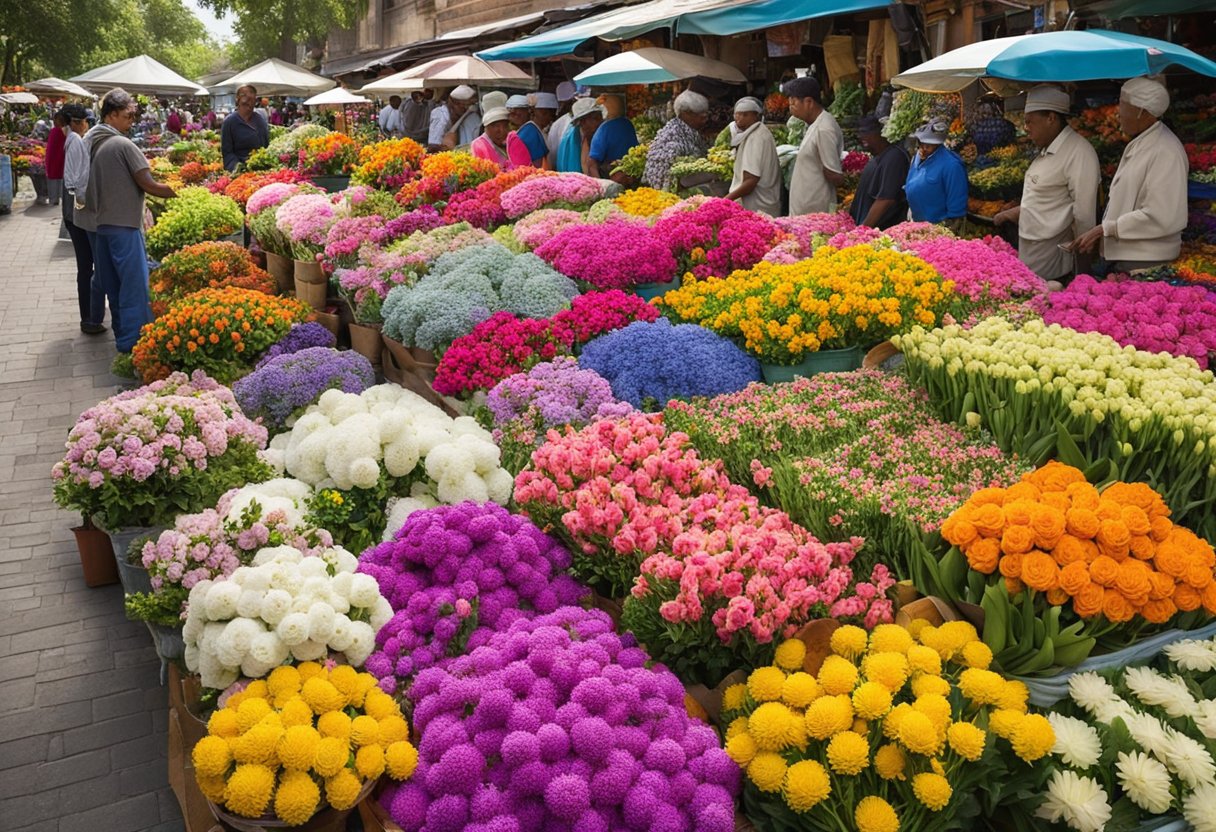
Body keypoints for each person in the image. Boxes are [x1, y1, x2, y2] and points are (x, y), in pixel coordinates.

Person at [73, 89, 176, 352]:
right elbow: (148, 184)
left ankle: (123, 338)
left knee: (114, 288)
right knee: (133, 288)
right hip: (125, 228)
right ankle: (136, 343)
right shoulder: (122, 145)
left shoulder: (92, 141)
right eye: (128, 115)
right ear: (111, 114)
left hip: (102, 226)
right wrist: (178, 190)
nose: (133, 119)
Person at [1073, 76, 1188, 272]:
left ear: (1142, 112)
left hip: (1146, 261)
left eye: (1123, 107)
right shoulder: (1144, 141)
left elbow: (1161, 214)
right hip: (1130, 256)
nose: (1118, 114)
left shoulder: (1165, 151)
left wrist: (1106, 229)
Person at [993, 86, 1100, 285]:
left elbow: (1084, 215)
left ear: (1051, 118)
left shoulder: (1079, 153)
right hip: (1030, 256)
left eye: (1030, 121)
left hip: (1054, 263)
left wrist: (1083, 272)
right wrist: (1012, 213)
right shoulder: (1046, 150)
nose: (1026, 128)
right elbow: (1044, 201)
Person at [61, 103, 105, 334]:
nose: (88, 124)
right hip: (76, 208)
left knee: (86, 265)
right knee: (88, 264)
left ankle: (88, 314)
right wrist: (89, 205)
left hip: (72, 208)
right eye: (86, 121)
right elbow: (77, 181)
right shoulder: (77, 140)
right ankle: (88, 317)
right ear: (77, 122)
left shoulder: (70, 139)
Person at [785, 76, 845, 215]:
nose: (791, 108)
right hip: (805, 207)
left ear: (809, 102)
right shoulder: (814, 124)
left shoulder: (824, 129)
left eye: (793, 103)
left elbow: (833, 173)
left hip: (815, 209)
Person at [849, 114, 909, 229]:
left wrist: (863, 230)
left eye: (866, 132)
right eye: (860, 133)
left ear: (881, 133)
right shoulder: (879, 155)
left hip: (880, 231)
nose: (861, 137)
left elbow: (885, 200)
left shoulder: (894, 157)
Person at [904, 120, 968, 227]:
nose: (924, 148)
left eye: (929, 145)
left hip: (937, 226)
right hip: (915, 221)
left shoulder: (952, 165)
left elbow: (957, 208)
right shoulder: (917, 157)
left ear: (938, 144)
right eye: (922, 143)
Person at [642, 90, 709, 190]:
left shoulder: (691, 131)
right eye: (701, 117)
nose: (705, 120)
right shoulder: (672, 137)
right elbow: (666, 180)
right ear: (686, 114)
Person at [725, 97, 781, 217]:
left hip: (757, 208)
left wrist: (724, 201)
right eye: (737, 114)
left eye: (745, 115)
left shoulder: (756, 138)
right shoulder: (759, 132)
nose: (739, 118)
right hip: (764, 206)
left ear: (756, 116)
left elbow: (750, 181)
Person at [587, 93, 638, 179]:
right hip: (630, 175)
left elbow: (592, 163)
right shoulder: (628, 124)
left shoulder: (605, 128)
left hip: (611, 176)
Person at [220, 84, 270, 171]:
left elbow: (266, 146)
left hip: (259, 168)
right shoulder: (230, 122)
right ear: (238, 101)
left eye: (251, 100)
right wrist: (238, 168)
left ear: (255, 102)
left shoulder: (259, 120)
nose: (248, 104)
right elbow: (227, 152)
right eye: (245, 102)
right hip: (239, 170)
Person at [557, 98, 603, 174]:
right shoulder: (570, 141)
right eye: (596, 118)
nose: (600, 122)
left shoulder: (595, 136)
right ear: (583, 121)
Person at [428, 85, 481, 151]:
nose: (466, 109)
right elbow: (433, 145)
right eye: (463, 106)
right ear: (453, 103)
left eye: (468, 105)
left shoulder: (468, 116)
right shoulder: (440, 115)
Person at [517, 92, 557, 169]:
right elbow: (539, 165)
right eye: (545, 113)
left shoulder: (533, 130)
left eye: (552, 114)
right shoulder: (531, 132)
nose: (550, 118)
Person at [548, 82, 577, 169]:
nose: (563, 106)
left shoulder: (587, 122)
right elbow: (552, 154)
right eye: (562, 103)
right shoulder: (558, 124)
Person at [45, 109, 68, 206]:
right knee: (59, 178)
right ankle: (58, 198)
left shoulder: (55, 131)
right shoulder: (65, 132)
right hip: (60, 158)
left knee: (53, 178)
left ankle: (54, 199)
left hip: (54, 159)